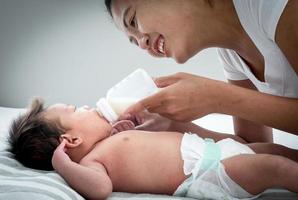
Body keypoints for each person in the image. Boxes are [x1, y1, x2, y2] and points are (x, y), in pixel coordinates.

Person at [8, 98, 298, 200]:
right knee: (275, 168)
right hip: (209, 173)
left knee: (274, 149)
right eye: (76, 110)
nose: (86, 106)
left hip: (217, 149)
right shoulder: (92, 163)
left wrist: (126, 129)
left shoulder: (109, 140)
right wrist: (64, 166)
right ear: (71, 141)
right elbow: (100, 190)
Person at [104, 0, 298, 143]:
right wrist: (172, 127)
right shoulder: (231, 55)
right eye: (133, 40)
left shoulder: (272, 6)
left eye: (133, 21)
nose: (141, 43)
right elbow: (255, 146)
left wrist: (217, 98)